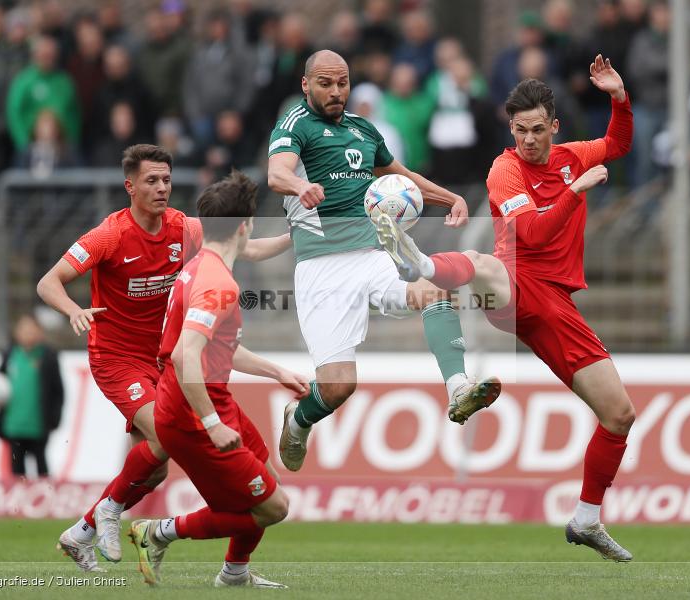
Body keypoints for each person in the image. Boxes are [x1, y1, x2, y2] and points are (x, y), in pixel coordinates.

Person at [375, 55, 636, 561]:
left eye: (537, 130)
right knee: (485, 263)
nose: (529, 140)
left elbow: (619, 143)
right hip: (517, 287)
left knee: (619, 415)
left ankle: (586, 518)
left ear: (554, 127)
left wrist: (619, 99)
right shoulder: (505, 169)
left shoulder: (571, 157)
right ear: (510, 129)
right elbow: (531, 233)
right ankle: (419, 265)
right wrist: (575, 193)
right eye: (520, 131)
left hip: (557, 307)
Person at [36, 144, 290, 572]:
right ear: (130, 186)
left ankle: (81, 532)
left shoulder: (180, 227)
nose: (161, 188)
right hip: (117, 359)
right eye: (151, 180)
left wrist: (294, 236)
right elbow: (49, 282)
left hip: (161, 358)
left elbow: (244, 246)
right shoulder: (109, 235)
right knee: (166, 437)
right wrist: (73, 310)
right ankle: (110, 511)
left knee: (154, 468)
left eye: (167, 180)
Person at [267, 50, 501, 474]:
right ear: (306, 85)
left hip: (373, 255)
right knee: (339, 387)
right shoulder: (295, 124)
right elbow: (276, 173)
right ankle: (297, 420)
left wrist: (449, 197)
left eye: (342, 83)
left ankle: (458, 388)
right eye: (325, 83)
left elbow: (400, 176)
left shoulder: (363, 129)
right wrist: (299, 186)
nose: (336, 91)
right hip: (322, 268)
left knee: (435, 290)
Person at [129, 171, 306, 589]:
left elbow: (216, 348)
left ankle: (234, 573)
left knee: (267, 487)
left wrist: (277, 372)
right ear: (244, 227)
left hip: (210, 398)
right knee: (273, 507)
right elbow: (184, 355)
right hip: (192, 413)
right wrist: (211, 423)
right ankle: (157, 532)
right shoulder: (217, 284)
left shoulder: (199, 267)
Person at [0, 314, 64, 479]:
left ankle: (45, 494)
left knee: (41, 467)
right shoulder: (10, 355)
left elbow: (58, 391)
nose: (27, 333)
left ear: (40, 332)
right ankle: (19, 496)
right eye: (23, 329)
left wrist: (54, 419)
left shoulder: (47, 356)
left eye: (31, 329)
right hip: (14, 424)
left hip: (39, 424)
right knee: (17, 470)